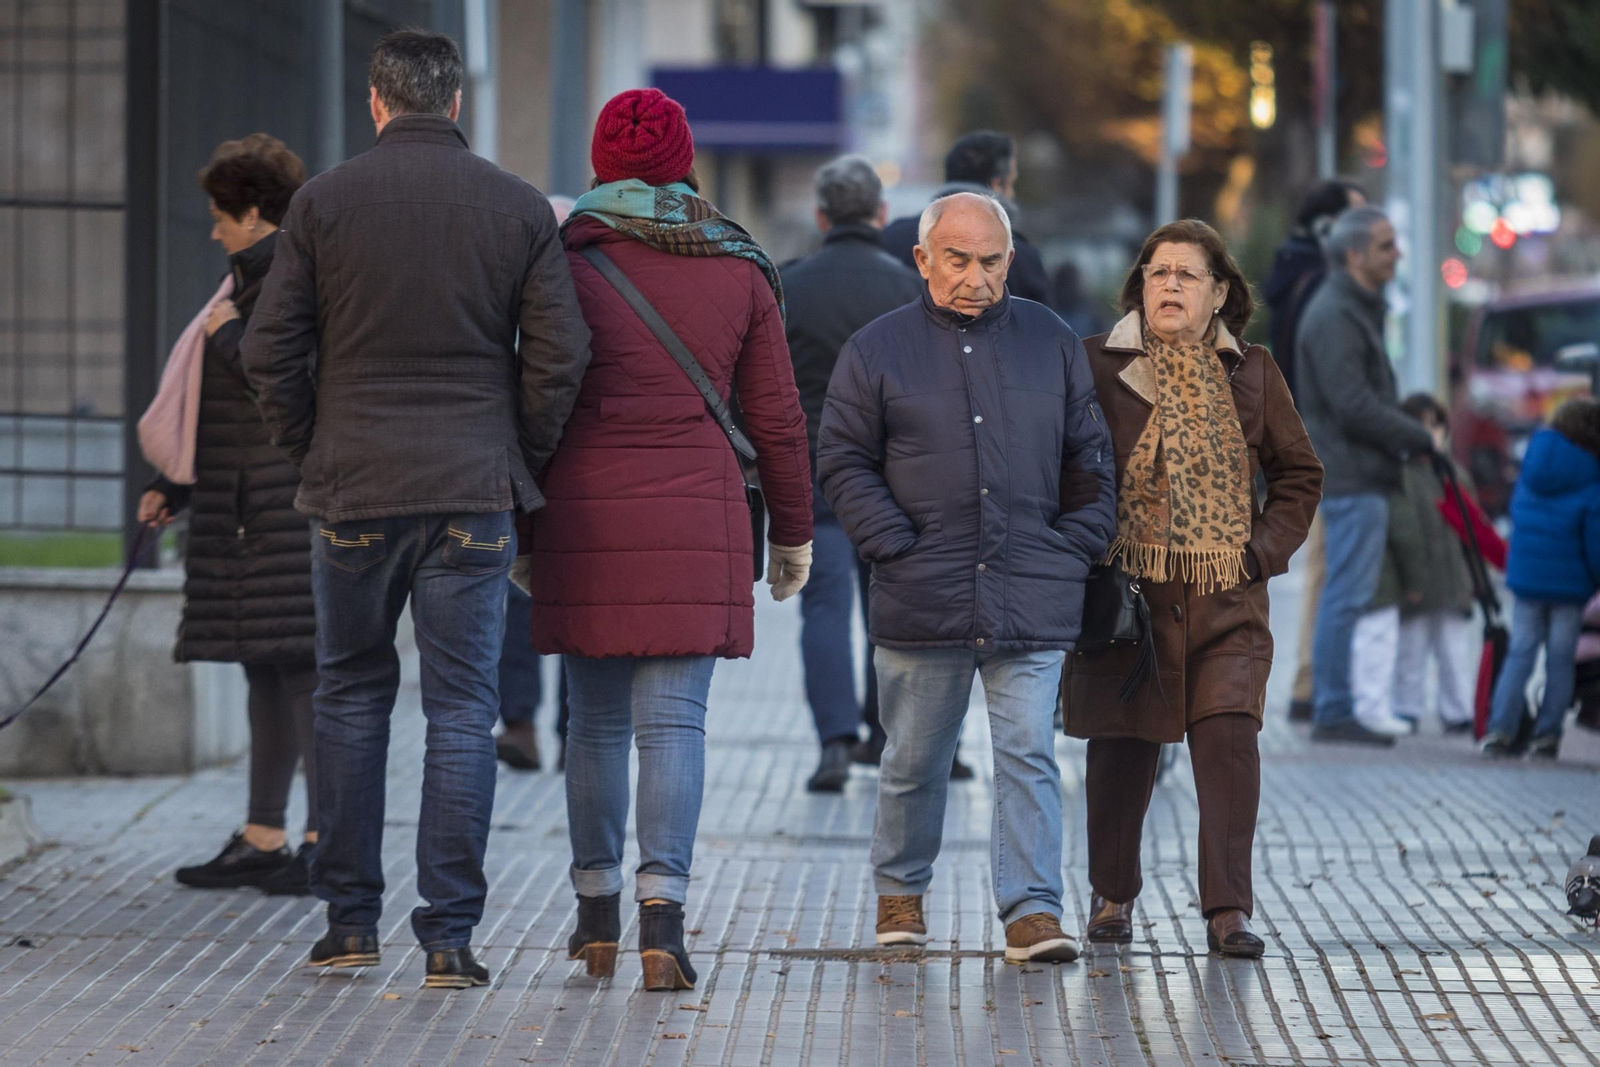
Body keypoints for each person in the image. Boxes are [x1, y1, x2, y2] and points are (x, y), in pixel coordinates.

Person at [242, 30, 592, 989]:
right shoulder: (518, 207)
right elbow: (560, 357)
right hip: (472, 493)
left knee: (351, 695)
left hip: (354, 487)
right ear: (458, 103)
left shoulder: (322, 204)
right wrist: (514, 456)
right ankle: (448, 936)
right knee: (462, 708)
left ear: (376, 102)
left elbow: (266, 352)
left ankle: (349, 922)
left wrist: (311, 444)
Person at [521, 89, 813, 993]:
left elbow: (531, 396)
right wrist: (793, 535)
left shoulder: (561, 263)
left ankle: (595, 914)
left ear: (603, 165)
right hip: (697, 514)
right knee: (674, 724)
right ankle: (664, 920)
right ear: (687, 163)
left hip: (583, 513)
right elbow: (778, 417)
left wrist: (527, 528)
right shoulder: (737, 264)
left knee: (594, 724)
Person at [819, 191, 1116, 964]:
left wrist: (1073, 545)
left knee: (1027, 754)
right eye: (957, 259)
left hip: (1034, 588)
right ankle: (900, 890)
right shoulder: (878, 347)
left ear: (1010, 260)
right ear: (922, 259)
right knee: (913, 757)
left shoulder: (1050, 340)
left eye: (990, 261)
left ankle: (1033, 909)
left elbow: (1091, 458)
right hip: (924, 589)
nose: (974, 276)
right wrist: (893, 544)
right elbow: (844, 458)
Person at [1063, 218, 1322, 959]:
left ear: (1220, 295)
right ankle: (1112, 894)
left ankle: (1228, 909)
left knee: (1230, 744)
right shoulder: (1096, 365)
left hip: (1225, 599)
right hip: (1129, 603)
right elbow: (1067, 468)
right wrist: (1088, 548)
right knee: (1120, 750)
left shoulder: (1255, 373)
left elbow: (1300, 474)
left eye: (1187, 274)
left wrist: (1259, 553)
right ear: (1140, 287)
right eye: (1157, 271)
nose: (1169, 284)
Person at [139, 135, 318, 896]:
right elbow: (224, 415)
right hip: (246, 512)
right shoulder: (242, 281)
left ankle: (322, 839)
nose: (212, 230)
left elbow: (290, 381)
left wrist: (231, 339)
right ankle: (264, 834)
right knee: (265, 672)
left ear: (251, 213)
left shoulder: (289, 278)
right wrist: (171, 485)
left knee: (307, 678)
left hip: (286, 513)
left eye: (220, 216)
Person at [780, 155, 923, 793]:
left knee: (824, 608)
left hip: (814, 473)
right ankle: (884, 733)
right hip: (895, 478)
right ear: (881, 214)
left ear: (820, 215)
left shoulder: (791, 285)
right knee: (890, 613)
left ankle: (834, 742)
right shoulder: (907, 288)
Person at [1296, 206, 1434, 746]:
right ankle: (1332, 708)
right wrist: (1417, 436)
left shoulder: (1351, 308)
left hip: (1358, 471)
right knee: (1346, 595)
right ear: (1355, 255)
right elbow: (1352, 404)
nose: (1396, 253)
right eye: (1385, 245)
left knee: (1346, 592)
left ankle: (1334, 704)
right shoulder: (1335, 314)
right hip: (1351, 475)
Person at [1266, 180, 1365, 723]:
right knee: (1329, 568)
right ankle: (1314, 686)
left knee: (1324, 566)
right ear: (1329, 229)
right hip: (1323, 443)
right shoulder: (1320, 286)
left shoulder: (1291, 276)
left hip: (1304, 436)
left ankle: (1311, 681)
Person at [496, 193, 577, 774]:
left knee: (521, 594)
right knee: (568, 597)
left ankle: (527, 723)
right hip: (564, 464)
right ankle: (557, 729)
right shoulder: (591, 290)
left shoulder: (505, 286)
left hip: (525, 461)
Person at [1482, 399, 1600, 758]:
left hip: (1527, 578)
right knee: (1560, 659)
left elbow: (1516, 512)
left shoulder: (1532, 461)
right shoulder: (1592, 472)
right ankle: (1546, 736)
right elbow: (1594, 539)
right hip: (1570, 585)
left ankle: (1500, 730)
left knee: (1521, 653)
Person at [1388, 394, 1479, 735]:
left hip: (1453, 580)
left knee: (1454, 651)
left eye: (1437, 425)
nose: (1432, 433)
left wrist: (1476, 578)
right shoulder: (1402, 476)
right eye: (1424, 426)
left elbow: (1473, 530)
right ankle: (1407, 708)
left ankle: (1457, 710)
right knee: (1410, 650)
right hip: (1417, 582)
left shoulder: (1455, 475)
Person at [880, 131, 1052, 305]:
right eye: (957, 262)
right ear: (996, 184)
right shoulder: (1022, 256)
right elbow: (1043, 326)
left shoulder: (891, 238)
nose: (975, 283)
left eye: (989, 263)